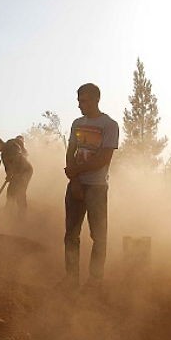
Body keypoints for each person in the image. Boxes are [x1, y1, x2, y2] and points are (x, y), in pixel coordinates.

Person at [62, 83, 119, 289]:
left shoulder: (109, 125)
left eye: (83, 100)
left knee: (98, 236)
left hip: (97, 187)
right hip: (77, 185)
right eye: (78, 100)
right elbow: (71, 152)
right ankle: (71, 279)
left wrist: (76, 172)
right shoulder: (77, 123)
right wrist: (75, 182)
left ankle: (95, 281)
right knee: (71, 235)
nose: (79, 105)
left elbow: (104, 158)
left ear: (96, 99)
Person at [0, 136, 33, 213]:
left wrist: (12, 171)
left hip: (25, 171)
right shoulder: (3, 154)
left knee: (20, 191)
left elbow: (17, 157)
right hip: (17, 173)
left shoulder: (10, 145)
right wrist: (9, 175)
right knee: (10, 191)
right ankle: (9, 211)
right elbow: (7, 167)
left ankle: (22, 214)